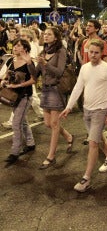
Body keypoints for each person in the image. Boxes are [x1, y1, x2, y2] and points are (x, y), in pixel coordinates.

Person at [60, 39, 107, 192]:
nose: (93, 55)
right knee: (97, 138)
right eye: (90, 52)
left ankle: (86, 179)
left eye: (96, 52)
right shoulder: (84, 68)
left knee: (92, 143)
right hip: (87, 110)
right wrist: (69, 106)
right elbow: (78, 87)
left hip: (101, 110)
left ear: (102, 52)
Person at [27, 27, 74, 169]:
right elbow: (35, 75)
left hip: (57, 89)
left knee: (54, 124)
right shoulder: (43, 52)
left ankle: (51, 156)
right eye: (44, 34)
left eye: (49, 34)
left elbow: (59, 72)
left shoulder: (61, 51)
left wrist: (46, 64)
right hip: (46, 91)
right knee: (48, 123)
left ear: (56, 37)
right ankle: (68, 137)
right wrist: (29, 63)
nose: (45, 36)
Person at [2, 39, 36, 164]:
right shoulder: (11, 60)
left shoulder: (29, 62)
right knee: (22, 121)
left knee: (16, 124)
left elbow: (34, 80)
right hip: (13, 96)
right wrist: (4, 81)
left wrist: (17, 86)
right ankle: (30, 143)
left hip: (25, 96)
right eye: (14, 45)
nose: (15, 47)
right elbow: (6, 74)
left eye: (18, 45)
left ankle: (15, 151)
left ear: (25, 49)